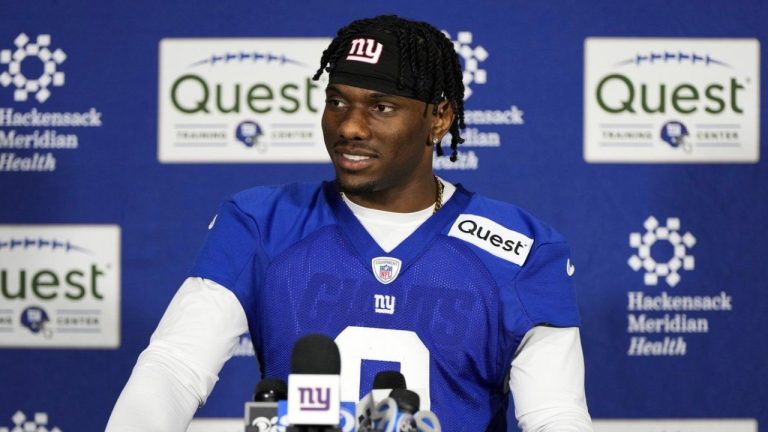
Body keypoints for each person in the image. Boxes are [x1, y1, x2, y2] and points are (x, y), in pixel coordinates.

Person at [106, 15, 593, 432]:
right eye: (337, 101)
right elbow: (173, 368)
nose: (350, 126)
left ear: (439, 118)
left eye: (381, 107)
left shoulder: (522, 249)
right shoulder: (262, 222)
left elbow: (555, 415)